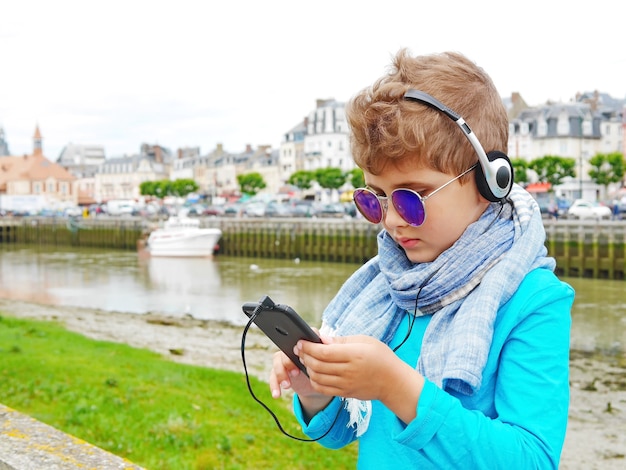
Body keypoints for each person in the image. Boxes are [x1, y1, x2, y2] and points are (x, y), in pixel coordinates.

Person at [269, 49, 574, 469]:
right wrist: (314, 388)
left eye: (411, 197)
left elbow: (532, 460)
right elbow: (342, 433)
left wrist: (396, 385)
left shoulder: (534, 300)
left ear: (490, 181)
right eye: (374, 198)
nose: (392, 221)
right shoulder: (389, 287)